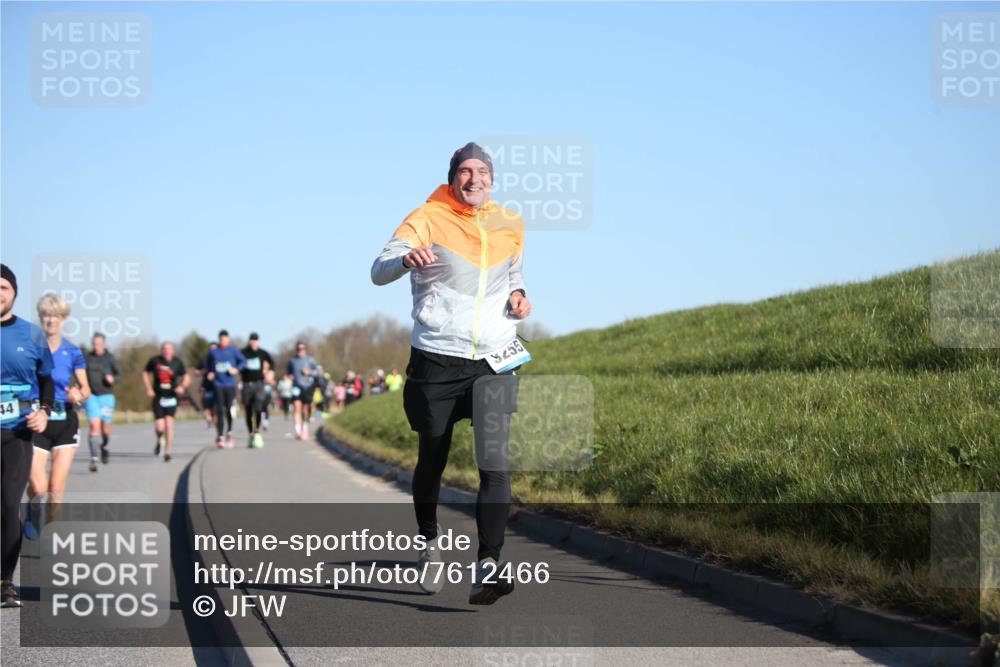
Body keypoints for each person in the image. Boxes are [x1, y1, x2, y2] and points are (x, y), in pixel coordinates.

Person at [371, 142, 532, 605]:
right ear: (452, 177)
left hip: (495, 359)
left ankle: (488, 566)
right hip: (438, 358)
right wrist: (405, 260)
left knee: (494, 465)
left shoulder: (510, 224)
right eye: (465, 171)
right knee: (432, 457)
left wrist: (520, 296)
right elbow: (377, 271)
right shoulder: (426, 216)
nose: (474, 178)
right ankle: (427, 542)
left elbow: (514, 276)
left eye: (482, 171)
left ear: (493, 180)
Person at [1, 265, 53, 607]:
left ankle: (4, 581)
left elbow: (47, 379)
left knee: (7, 505)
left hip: (17, 434)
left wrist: (45, 410)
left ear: (14, 293)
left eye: (3, 287)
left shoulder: (31, 336)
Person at [26, 293, 90, 536]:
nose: (50, 320)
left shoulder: (72, 351)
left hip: (65, 421)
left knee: (55, 487)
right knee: (39, 487)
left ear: (63, 319)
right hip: (37, 420)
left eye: (55, 316)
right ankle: (33, 508)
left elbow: (86, 389)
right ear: (41, 318)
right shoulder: (31, 348)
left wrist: (78, 394)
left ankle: (52, 533)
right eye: (46, 316)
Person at [142, 341, 189, 462]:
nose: (167, 351)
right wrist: (149, 388)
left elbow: (186, 376)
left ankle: (168, 452)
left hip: (172, 396)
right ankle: (159, 440)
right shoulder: (155, 360)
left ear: (173, 351)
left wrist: (182, 386)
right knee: (159, 426)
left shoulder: (177, 362)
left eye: (169, 349)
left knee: (169, 424)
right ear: (162, 350)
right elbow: (145, 373)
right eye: (165, 349)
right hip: (158, 396)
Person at [82, 332, 121, 471]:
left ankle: (104, 446)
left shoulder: (109, 358)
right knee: (94, 425)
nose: (96, 346)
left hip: (107, 396)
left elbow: (119, 375)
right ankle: (93, 458)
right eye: (94, 344)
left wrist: (113, 379)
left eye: (99, 344)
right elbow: (80, 374)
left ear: (104, 344)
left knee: (105, 429)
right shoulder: (87, 358)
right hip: (91, 396)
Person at [204, 330, 246, 448]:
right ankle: (220, 435)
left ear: (228, 340)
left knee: (228, 409)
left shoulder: (233, 351)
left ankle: (229, 432)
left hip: (229, 384)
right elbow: (207, 365)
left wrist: (236, 369)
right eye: (221, 340)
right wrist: (210, 372)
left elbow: (243, 362)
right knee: (219, 410)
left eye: (225, 339)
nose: (223, 341)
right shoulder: (213, 352)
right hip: (218, 384)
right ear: (219, 340)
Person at [240, 332, 273, 449]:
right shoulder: (243, 353)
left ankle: (257, 431)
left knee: (258, 407)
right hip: (246, 384)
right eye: (252, 340)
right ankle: (250, 434)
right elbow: (236, 363)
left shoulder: (262, 353)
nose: (254, 342)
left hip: (259, 383)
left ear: (258, 342)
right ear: (249, 341)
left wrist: (270, 374)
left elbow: (272, 364)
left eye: (256, 340)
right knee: (248, 410)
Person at [285, 341, 319, 440]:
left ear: (305, 349)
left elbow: (317, 372)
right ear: (296, 349)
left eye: (302, 348)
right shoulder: (292, 360)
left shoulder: (310, 360)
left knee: (305, 408)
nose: (300, 350)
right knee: (297, 407)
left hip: (308, 387)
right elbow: (287, 372)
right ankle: (298, 431)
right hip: (296, 386)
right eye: (299, 349)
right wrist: (289, 376)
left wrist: (309, 372)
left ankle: (305, 428)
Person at [196, 342, 218, 429]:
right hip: (206, 386)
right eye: (211, 348)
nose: (213, 350)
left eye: (215, 348)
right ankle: (209, 420)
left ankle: (217, 425)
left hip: (218, 386)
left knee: (216, 408)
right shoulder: (204, 359)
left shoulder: (220, 359)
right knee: (206, 407)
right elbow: (196, 372)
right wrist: (203, 371)